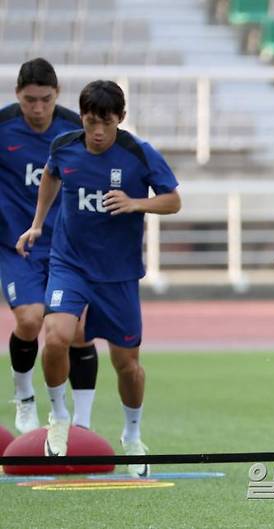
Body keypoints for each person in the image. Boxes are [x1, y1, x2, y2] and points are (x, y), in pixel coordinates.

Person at [16, 79, 181, 478]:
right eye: (91, 122)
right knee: (54, 336)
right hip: (69, 264)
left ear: (120, 119)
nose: (97, 132)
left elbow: (173, 199)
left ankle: (132, 434)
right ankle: (58, 417)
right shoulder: (65, 146)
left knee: (127, 364)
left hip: (118, 275)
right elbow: (51, 178)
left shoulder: (139, 154)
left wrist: (136, 202)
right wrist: (38, 224)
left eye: (106, 123)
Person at [0, 58, 98, 435]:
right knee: (29, 319)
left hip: (67, 249)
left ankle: (81, 424)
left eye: (45, 99)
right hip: (16, 245)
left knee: (78, 331)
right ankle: (24, 398)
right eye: (29, 100)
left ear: (57, 94)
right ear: (17, 96)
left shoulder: (76, 129)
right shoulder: (3, 127)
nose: (38, 109)